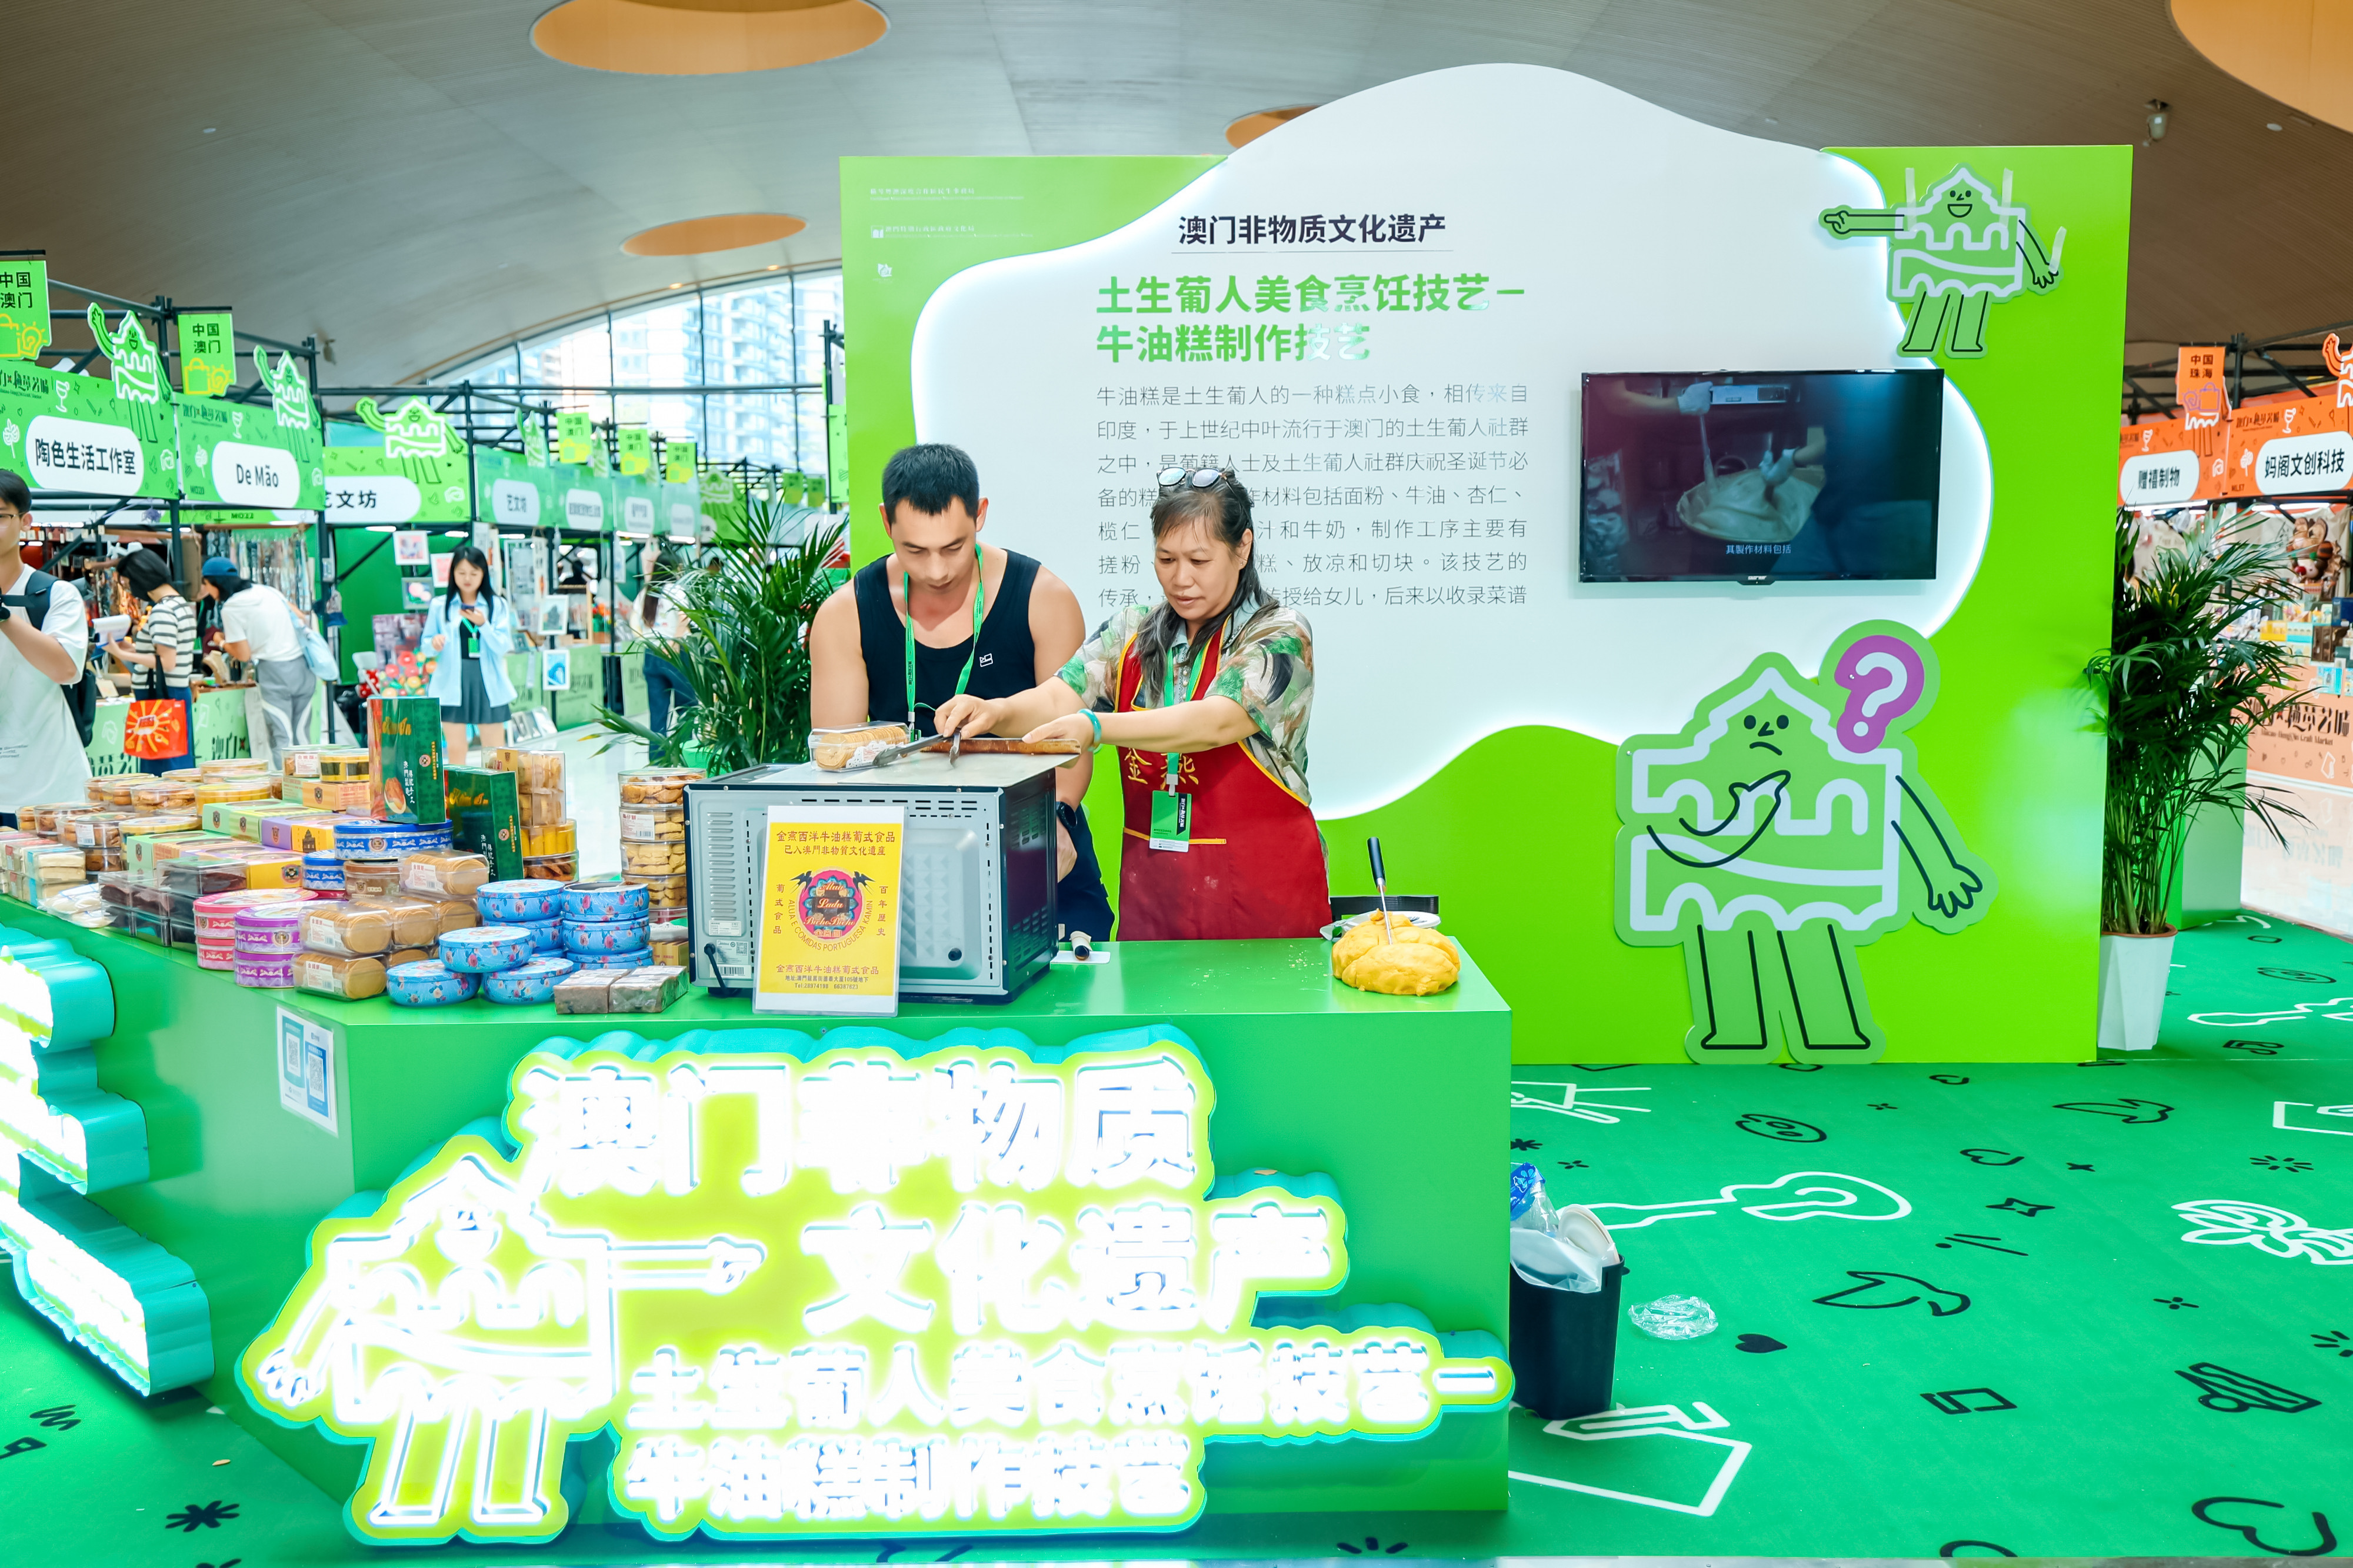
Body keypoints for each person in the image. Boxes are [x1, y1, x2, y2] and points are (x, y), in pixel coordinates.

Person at [935, 468, 1325, 942]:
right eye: (1166, 559)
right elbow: (1059, 696)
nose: (1181, 579)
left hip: (1263, 903)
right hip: (1158, 897)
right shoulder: (1132, 633)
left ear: (1242, 548)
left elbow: (1216, 722)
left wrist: (1097, 728)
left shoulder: (1279, 634)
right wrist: (997, 711)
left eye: (1199, 560)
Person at [808, 442, 1115, 942]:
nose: (936, 571)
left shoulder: (1043, 598)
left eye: (953, 548)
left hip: (1035, 843)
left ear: (980, 515)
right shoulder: (847, 615)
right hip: (905, 865)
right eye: (915, 551)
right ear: (886, 522)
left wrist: (1057, 816)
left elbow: (1070, 742)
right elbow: (838, 760)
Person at [0, 470, 91, 820]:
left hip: (51, 788)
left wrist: (4, 617)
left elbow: (66, 668)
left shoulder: (54, 594)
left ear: (25, 522)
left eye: (0, 517)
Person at [202, 556, 312, 769]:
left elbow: (243, 655)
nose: (206, 590)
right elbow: (301, 617)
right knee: (303, 735)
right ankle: (310, 782)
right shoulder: (268, 591)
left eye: (206, 584)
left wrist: (220, 641)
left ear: (215, 583)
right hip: (303, 667)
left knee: (282, 737)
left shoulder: (231, 608)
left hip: (274, 672)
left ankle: (289, 786)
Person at [107, 548, 198, 775]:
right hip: (174, 692)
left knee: (160, 768)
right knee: (176, 760)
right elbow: (168, 653)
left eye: (128, 583)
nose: (130, 589)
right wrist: (136, 649)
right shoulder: (181, 605)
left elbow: (166, 662)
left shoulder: (162, 611)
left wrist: (123, 654)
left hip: (159, 695)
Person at [423, 546, 516, 765]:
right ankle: (458, 787)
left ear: (483, 574)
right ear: (453, 573)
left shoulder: (496, 605)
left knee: (495, 751)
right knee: (456, 750)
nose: (467, 579)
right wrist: (434, 643)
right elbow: (425, 646)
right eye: (461, 572)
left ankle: (497, 787)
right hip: (451, 682)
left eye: (474, 573)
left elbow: (503, 646)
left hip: (488, 682)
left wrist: (484, 625)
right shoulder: (440, 606)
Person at [639, 558, 697, 738]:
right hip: (675, 653)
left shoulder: (647, 592)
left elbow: (635, 618)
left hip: (652, 653)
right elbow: (684, 617)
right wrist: (674, 643)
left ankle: (658, 754)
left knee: (657, 714)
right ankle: (684, 750)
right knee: (686, 708)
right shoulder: (677, 591)